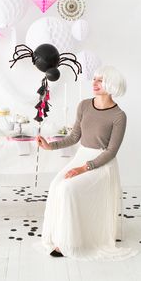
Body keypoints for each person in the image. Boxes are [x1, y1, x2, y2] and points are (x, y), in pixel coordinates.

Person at [36, 65, 137, 260]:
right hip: (81, 156)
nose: (95, 83)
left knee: (68, 189)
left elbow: (111, 152)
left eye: (100, 80)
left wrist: (84, 168)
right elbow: (74, 136)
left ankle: (67, 243)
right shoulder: (83, 105)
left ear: (112, 85)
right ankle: (60, 236)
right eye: (95, 79)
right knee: (57, 184)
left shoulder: (119, 116)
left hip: (101, 165)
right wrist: (51, 146)